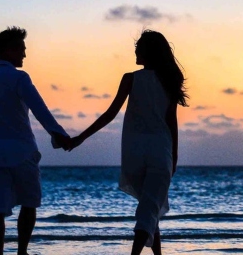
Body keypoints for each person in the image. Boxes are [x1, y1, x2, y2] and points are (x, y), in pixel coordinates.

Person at [69, 29, 188, 255]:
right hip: (160, 151)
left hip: (134, 152)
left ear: (147, 52)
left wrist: (80, 138)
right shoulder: (169, 79)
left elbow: (110, 114)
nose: (135, 51)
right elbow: (171, 120)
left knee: (150, 207)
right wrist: (175, 155)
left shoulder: (131, 78)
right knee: (149, 207)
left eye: (138, 48)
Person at [0, 26, 71, 255]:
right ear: (9, 50)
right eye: (22, 49)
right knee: (29, 203)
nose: (25, 55)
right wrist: (59, 135)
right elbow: (40, 109)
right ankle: (21, 252)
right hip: (21, 152)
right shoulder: (19, 77)